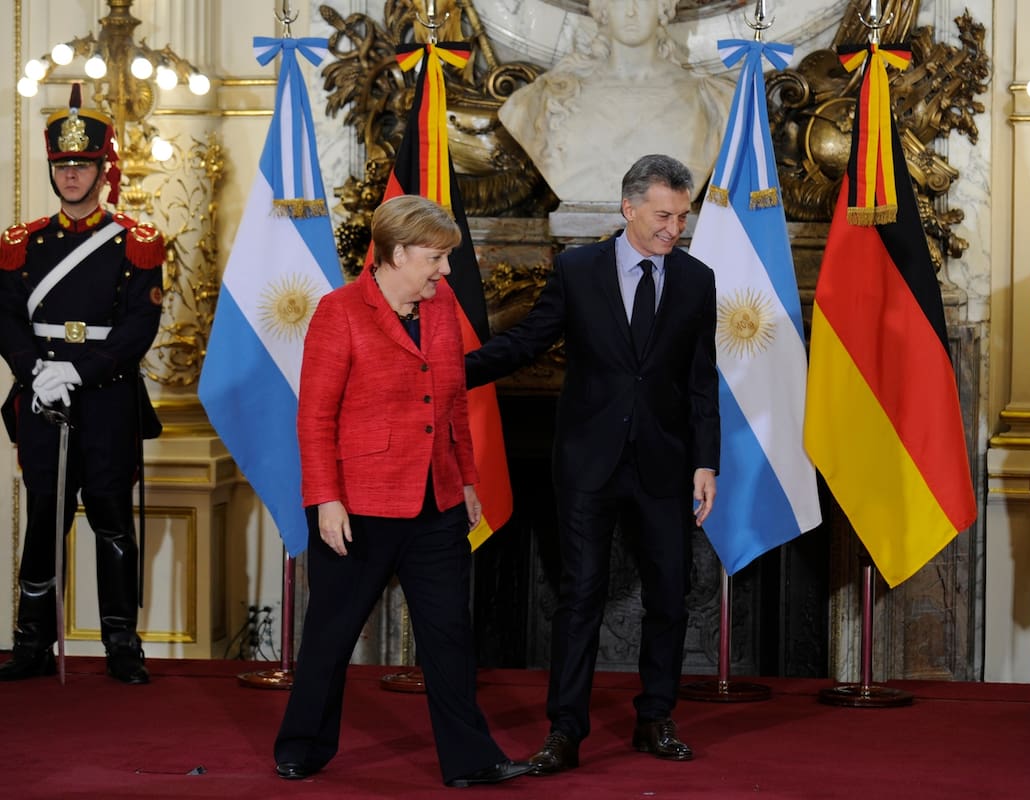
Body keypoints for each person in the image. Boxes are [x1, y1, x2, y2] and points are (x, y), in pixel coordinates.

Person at [466, 154, 720, 773]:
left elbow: (701, 381)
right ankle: (565, 731)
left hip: (665, 465)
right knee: (579, 596)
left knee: (669, 596)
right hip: (588, 463)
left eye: (682, 217)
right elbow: (528, 341)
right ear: (628, 208)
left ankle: (655, 718)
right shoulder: (577, 270)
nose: (674, 229)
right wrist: (449, 371)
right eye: (663, 216)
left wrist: (706, 463)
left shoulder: (696, 279)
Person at [272, 195, 532, 787]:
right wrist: (326, 499)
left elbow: (452, 404)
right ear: (395, 253)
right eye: (435, 257)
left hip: (436, 502)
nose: (445, 269)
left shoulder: (442, 309)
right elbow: (315, 417)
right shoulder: (339, 311)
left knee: (448, 636)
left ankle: (470, 760)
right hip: (357, 505)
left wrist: (467, 480)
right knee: (332, 632)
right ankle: (302, 746)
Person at [0, 84, 163, 685]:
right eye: (63, 164)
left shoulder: (136, 242)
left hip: (108, 399)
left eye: (83, 164)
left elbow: (140, 326)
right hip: (43, 399)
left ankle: (122, 644)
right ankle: (32, 644)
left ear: (103, 168)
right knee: (45, 520)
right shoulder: (21, 243)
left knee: (112, 522)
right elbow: (6, 317)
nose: (71, 175)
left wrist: (80, 369)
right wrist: (35, 372)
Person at [497, 0, 731, 205]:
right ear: (603, 7)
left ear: (662, 6)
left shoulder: (712, 99)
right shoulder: (547, 99)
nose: (631, 11)